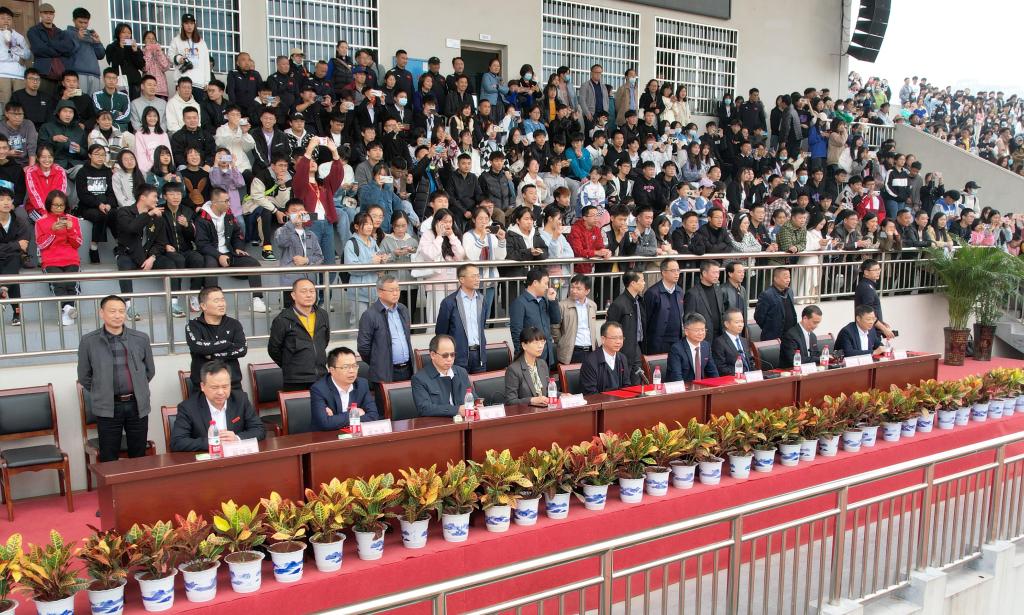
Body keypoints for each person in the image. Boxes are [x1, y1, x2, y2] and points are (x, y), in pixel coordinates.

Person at [77, 295, 155, 462]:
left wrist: (137, 386)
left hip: (137, 404)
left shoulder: (140, 338)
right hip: (108, 406)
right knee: (109, 457)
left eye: (121, 311)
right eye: (112, 311)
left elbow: (149, 371)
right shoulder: (89, 341)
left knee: (139, 455)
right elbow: (84, 376)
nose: (118, 315)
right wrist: (102, 390)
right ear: (101, 313)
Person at [194, 187, 266, 312]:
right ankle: (212, 302)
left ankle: (257, 299)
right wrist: (219, 256)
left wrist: (238, 248)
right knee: (210, 267)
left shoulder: (229, 215)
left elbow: (237, 234)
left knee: (253, 263)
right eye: (226, 201)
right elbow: (202, 244)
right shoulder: (202, 217)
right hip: (211, 253)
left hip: (229, 252)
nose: (229, 203)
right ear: (215, 203)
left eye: (229, 200)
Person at [170, 360, 265, 452]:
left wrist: (237, 438)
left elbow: (259, 429)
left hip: (236, 456)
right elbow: (177, 442)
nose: (220, 392)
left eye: (225, 386)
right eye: (214, 387)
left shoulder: (240, 400)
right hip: (208, 459)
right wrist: (213, 442)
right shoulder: (188, 407)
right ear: (202, 386)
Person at [269, 278, 330, 392]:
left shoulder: (323, 315)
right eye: (303, 291)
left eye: (312, 291)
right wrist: (290, 365)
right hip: (295, 380)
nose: (309, 295)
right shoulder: (283, 319)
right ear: (293, 295)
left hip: (321, 376)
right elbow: (274, 349)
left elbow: (324, 341)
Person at [185, 286, 247, 390]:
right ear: (203, 306)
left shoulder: (234, 324)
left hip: (233, 387)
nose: (222, 304)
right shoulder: (193, 325)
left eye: (223, 300)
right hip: (203, 389)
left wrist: (213, 355)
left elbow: (242, 349)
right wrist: (226, 344)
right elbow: (198, 346)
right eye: (216, 301)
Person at [357, 276, 414, 390]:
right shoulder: (370, 315)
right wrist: (379, 362)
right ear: (380, 292)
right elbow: (363, 348)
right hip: (384, 373)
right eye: (391, 290)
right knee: (385, 402)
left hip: (407, 369)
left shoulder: (402, 309)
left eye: (397, 289)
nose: (396, 293)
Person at [35, 189, 81, 326]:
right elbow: (41, 245)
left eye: (61, 205)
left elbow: (77, 243)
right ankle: (68, 309)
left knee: (71, 284)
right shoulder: (40, 222)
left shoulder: (73, 220)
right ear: (49, 205)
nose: (58, 208)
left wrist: (71, 230)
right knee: (59, 284)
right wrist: (52, 231)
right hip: (51, 260)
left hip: (71, 258)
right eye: (55, 205)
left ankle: (66, 311)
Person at [436, 264, 490, 374]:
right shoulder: (449, 302)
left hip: (479, 356)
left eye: (478, 276)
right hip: (458, 357)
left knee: (480, 384)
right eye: (473, 276)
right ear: (462, 279)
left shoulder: (482, 300)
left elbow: (482, 325)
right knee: (459, 384)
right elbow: (441, 333)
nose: (477, 279)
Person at [310, 346, 381, 431]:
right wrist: (354, 413)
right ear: (332, 370)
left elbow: (373, 416)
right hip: (328, 436)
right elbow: (325, 423)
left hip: (356, 435)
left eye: (354, 366)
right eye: (346, 367)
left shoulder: (362, 384)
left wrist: (335, 419)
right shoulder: (319, 389)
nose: (352, 371)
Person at [509, 268, 561, 367]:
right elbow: (516, 332)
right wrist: (522, 356)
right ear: (535, 283)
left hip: (546, 353)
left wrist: (552, 301)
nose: (547, 287)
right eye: (545, 283)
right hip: (530, 356)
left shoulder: (544, 300)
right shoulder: (519, 303)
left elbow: (556, 320)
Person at [411, 334, 472, 417]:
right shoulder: (419, 379)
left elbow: (472, 397)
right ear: (433, 355)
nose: (449, 359)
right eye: (445, 355)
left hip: (464, 421)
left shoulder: (461, 372)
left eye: (452, 354)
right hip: (439, 423)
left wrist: (478, 404)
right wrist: (456, 410)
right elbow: (424, 408)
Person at [27, 3, 74, 99]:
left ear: (54, 15)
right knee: (44, 103)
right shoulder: (33, 31)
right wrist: (59, 51)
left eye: (51, 13)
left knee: (62, 104)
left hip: (62, 76)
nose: (48, 16)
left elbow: (69, 49)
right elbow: (39, 49)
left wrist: (49, 43)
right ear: (40, 14)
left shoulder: (61, 32)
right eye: (45, 13)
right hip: (44, 75)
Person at [606, 270, 646, 376]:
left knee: (637, 380)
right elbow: (610, 329)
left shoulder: (639, 301)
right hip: (623, 351)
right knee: (624, 380)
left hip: (637, 347)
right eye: (642, 280)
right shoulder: (619, 304)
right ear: (633, 283)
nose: (644, 283)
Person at [552, 273, 598, 365]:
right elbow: (554, 327)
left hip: (591, 350)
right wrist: (562, 342)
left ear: (587, 291)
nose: (574, 291)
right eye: (572, 287)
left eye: (578, 288)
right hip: (572, 351)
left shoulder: (592, 305)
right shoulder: (562, 305)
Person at [642, 258, 684, 354]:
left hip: (677, 340)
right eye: (673, 271)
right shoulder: (652, 293)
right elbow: (646, 320)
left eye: (678, 270)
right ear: (664, 273)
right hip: (658, 342)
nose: (677, 273)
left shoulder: (680, 291)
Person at [580, 321, 636, 394]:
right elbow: (591, 393)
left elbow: (626, 385)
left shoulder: (622, 358)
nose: (618, 341)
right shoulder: (590, 362)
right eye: (614, 338)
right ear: (603, 339)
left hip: (620, 400)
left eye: (621, 338)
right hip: (599, 400)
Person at [504, 326, 553, 406]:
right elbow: (510, 401)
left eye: (542, 342)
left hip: (544, 409)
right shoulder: (514, 369)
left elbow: (548, 391)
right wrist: (532, 400)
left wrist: (563, 395)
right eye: (536, 342)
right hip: (526, 411)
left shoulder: (542, 364)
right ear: (524, 345)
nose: (540, 346)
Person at [0, 185, 27, 325]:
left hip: (14, 258)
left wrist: (12, 247)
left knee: (14, 259)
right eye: (1, 199)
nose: (6, 202)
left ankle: (3, 289)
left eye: (8, 199)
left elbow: (24, 247)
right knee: (12, 274)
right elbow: (19, 245)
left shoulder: (20, 221)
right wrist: (15, 245)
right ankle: (17, 313)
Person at [666, 312, 719, 382]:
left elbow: (712, 371)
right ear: (686, 331)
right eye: (697, 330)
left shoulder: (706, 346)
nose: (701, 333)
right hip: (683, 386)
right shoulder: (676, 349)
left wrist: (719, 385)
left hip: (701, 386)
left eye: (703, 330)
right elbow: (676, 376)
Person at [684, 259, 726, 340]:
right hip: (702, 337)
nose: (717, 276)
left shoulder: (718, 290)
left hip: (719, 336)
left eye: (718, 272)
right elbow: (689, 318)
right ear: (704, 273)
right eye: (714, 272)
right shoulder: (692, 294)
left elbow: (722, 311)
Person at [753, 267, 797, 341]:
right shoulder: (767, 295)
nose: (788, 280)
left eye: (789, 277)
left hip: (790, 336)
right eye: (785, 277)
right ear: (776, 279)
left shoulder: (790, 291)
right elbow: (759, 317)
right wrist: (770, 329)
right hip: (773, 337)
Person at [854, 258, 894, 339]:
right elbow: (868, 313)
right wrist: (884, 329)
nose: (878, 272)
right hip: (869, 332)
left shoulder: (868, 286)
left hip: (871, 330)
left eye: (879, 269)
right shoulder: (866, 288)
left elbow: (873, 311)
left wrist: (882, 323)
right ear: (866, 272)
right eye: (875, 270)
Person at [0, 7, 30, 106]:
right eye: (2, 18)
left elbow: (27, 55)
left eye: (9, 19)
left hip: (19, 74)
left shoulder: (19, 37)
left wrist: (15, 47)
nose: (6, 21)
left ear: (12, 20)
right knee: (5, 103)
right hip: (2, 74)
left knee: (20, 103)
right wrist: (17, 57)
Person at [711, 308, 754, 375]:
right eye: (737, 322)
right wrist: (741, 374)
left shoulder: (744, 340)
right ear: (727, 324)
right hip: (733, 378)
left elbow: (750, 361)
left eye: (742, 322)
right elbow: (721, 368)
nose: (740, 325)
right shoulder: (719, 343)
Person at [719, 261, 748, 332]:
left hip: (741, 329)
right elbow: (720, 314)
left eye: (743, 272)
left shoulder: (742, 289)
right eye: (739, 272)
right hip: (728, 330)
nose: (742, 274)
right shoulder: (722, 290)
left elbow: (744, 311)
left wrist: (745, 327)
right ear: (730, 274)